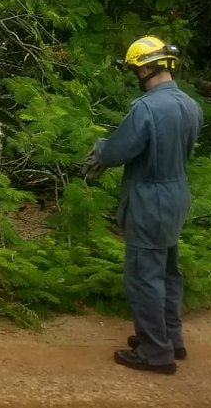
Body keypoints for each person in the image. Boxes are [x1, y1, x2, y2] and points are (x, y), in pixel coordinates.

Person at [83, 35, 202, 375]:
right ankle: (171, 340)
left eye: (136, 69)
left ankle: (154, 352)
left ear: (146, 68)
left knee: (143, 276)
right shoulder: (190, 105)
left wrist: (100, 148)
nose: (136, 75)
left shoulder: (147, 108)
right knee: (167, 271)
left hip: (150, 198)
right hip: (177, 193)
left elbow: (119, 151)